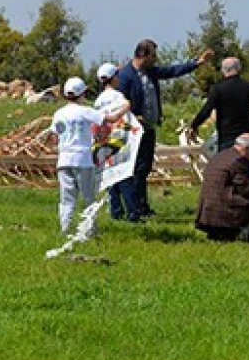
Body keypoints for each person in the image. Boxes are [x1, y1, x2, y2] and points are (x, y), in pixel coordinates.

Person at [117, 39, 212, 221]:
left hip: (149, 127)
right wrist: (133, 117)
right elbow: (119, 103)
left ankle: (142, 206)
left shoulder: (150, 72)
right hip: (134, 131)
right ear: (143, 56)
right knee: (136, 169)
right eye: (153, 55)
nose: (156, 59)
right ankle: (135, 208)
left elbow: (172, 71)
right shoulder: (126, 75)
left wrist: (196, 64)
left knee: (144, 169)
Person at [50, 78, 128, 234]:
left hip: (64, 159)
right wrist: (126, 106)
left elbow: (54, 135)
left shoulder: (59, 113)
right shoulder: (85, 111)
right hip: (83, 159)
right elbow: (111, 119)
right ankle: (89, 230)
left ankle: (65, 229)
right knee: (88, 197)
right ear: (82, 93)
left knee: (67, 198)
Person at [194, 134, 249, 243]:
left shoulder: (222, 155)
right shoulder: (239, 161)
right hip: (224, 210)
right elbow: (246, 189)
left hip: (208, 210)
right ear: (246, 149)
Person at [189, 57, 249, 153]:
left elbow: (206, 111)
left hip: (226, 136)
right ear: (239, 69)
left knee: (225, 164)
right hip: (245, 136)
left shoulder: (217, 89)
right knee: (245, 165)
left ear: (223, 70)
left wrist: (194, 126)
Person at [94, 63, 132, 220]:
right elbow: (126, 118)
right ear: (114, 77)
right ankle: (132, 211)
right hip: (120, 140)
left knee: (110, 176)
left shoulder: (98, 100)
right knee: (124, 176)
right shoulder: (119, 97)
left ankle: (116, 211)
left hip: (104, 142)